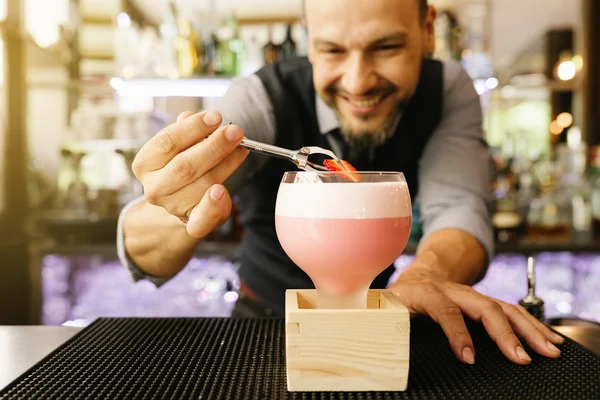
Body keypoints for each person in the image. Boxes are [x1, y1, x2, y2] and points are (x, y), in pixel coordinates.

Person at [117, 0, 564, 366]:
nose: (358, 81)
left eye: (386, 46)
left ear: (428, 29)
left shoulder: (447, 89)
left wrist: (425, 276)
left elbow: (461, 207)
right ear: (308, 40)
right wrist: (175, 202)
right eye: (331, 51)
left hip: (383, 311)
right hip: (262, 326)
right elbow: (144, 251)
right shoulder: (263, 98)